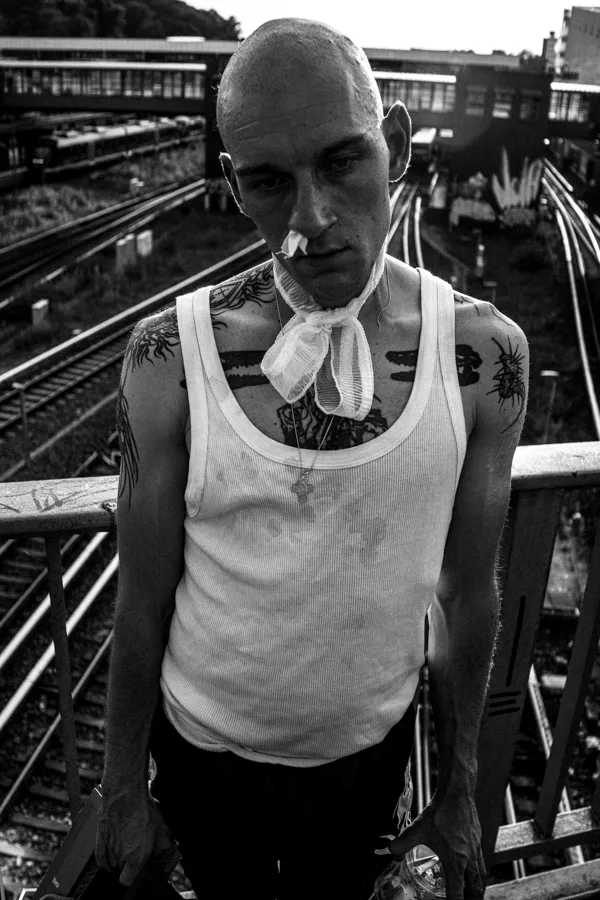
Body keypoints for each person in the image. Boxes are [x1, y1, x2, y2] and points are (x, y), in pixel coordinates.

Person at [96, 17, 529, 900]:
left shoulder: (486, 360)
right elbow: (139, 605)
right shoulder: (167, 359)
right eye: (268, 182)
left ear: (397, 145)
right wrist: (120, 794)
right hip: (202, 757)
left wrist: (456, 792)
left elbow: (468, 591)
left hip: (364, 762)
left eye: (340, 162)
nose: (311, 220)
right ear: (234, 185)